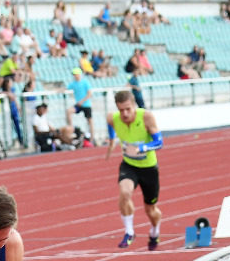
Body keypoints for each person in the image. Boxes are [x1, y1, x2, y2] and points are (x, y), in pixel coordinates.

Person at [105, 90, 163, 250]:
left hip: (149, 168)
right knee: (124, 192)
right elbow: (110, 123)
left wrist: (143, 147)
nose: (124, 113)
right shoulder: (112, 118)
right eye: (121, 110)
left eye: (128, 109)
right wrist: (112, 140)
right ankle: (129, 231)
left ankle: (154, 231)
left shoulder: (146, 117)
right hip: (129, 165)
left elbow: (159, 142)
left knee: (151, 210)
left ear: (134, 106)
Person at [65, 68, 94, 144]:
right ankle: (71, 130)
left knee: (90, 121)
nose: (75, 76)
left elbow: (89, 93)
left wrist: (82, 101)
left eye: (76, 74)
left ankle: (92, 138)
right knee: (69, 111)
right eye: (74, 75)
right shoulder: (73, 84)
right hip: (79, 105)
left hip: (86, 104)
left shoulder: (85, 82)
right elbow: (65, 88)